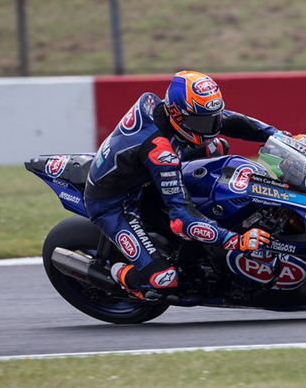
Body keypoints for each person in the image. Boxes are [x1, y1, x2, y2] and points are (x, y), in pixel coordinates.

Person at [84, 70, 278, 299]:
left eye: (212, 117)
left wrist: (278, 137)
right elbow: (181, 221)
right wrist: (235, 240)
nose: (211, 127)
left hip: (143, 172)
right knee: (164, 281)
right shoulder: (161, 153)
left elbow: (230, 121)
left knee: (217, 145)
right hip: (115, 203)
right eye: (202, 121)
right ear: (177, 114)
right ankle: (115, 272)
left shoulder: (171, 112)